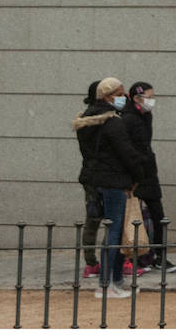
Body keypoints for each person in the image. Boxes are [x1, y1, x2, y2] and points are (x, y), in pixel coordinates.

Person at [71, 76, 145, 299]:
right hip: (115, 181)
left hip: (94, 181)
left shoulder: (86, 121)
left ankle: (115, 280)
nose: (124, 98)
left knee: (108, 228)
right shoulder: (113, 122)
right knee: (115, 231)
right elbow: (127, 153)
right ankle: (107, 284)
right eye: (120, 94)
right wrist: (138, 176)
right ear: (108, 96)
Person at [124, 81, 176, 272]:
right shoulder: (127, 119)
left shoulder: (146, 116)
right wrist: (133, 174)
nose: (152, 101)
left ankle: (159, 255)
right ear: (137, 98)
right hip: (134, 174)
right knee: (133, 217)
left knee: (158, 215)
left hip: (148, 173)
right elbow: (127, 149)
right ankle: (134, 257)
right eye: (149, 97)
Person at [77, 80, 105, 280]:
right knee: (111, 219)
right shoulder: (102, 118)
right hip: (102, 174)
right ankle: (104, 261)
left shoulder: (84, 118)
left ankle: (90, 261)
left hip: (89, 173)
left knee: (92, 219)